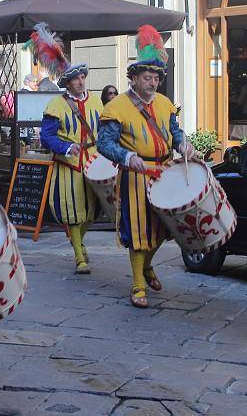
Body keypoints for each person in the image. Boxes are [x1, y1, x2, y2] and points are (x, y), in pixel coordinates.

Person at [97, 25, 195, 308]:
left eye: (156, 77)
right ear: (134, 78)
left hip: (164, 173)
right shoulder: (116, 107)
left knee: (164, 230)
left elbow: (175, 131)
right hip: (135, 176)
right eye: (147, 77)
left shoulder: (165, 104)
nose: (153, 82)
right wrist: (128, 157)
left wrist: (184, 144)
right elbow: (104, 143)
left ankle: (147, 266)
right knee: (139, 231)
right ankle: (138, 284)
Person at [40, 63, 103, 274]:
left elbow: (103, 131)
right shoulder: (55, 104)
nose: (81, 81)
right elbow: (46, 137)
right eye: (76, 79)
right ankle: (79, 256)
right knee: (73, 211)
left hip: (93, 162)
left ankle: (78, 242)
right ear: (68, 83)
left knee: (92, 211)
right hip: (69, 164)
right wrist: (66, 147)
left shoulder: (95, 101)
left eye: (83, 77)